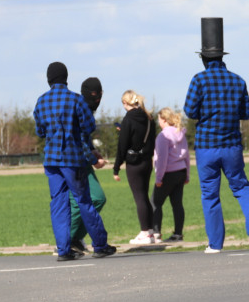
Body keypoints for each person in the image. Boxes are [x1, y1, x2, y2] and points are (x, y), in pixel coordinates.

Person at [183, 17, 249, 253]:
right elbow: (246, 113)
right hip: (231, 146)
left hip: (206, 147)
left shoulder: (198, 80)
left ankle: (215, 244)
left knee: (210, 195)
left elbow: (190, 111)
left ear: (203, 58)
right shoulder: (238, 81)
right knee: (242, 188)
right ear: (222, 57)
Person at [33, 61, 116, 261]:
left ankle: (64, 250)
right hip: (72, 159)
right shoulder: (76, 100)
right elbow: (89, 126)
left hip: (51, 161)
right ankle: (100, 245)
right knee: (84, 201)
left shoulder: (41, 101)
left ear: (49, 79)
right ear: (66, 77)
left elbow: (40, 131)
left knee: (59, 204)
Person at [67, 77, 108, 253]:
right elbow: (78, 138)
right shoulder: (80, 107)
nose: (97, 99)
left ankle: (72, 240)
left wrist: (92, 150)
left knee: (81, 202)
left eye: (100, 95)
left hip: (79, 158)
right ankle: (68, 239)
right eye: (93, 95)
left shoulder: (86, 108)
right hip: (75, 160)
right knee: (95, 198)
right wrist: (93, 160)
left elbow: (85, 138)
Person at [113, 90, 157, 246]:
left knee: (139, 197)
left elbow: (122, 145)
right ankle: (151, 231)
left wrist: (116, 167)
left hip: (134, 163)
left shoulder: (128, 120)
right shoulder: (149, 118)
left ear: (126, 103)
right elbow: (152, 141)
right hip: (147, 161)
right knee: (144, 196)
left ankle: (144, 232)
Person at [151, 107, 190, 243]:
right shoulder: (180, 133)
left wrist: (158, 178)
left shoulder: (163, 136)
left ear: (164, 120)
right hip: (181, 172)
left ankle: (156, 233)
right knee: (177, 204)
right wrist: (187, 175)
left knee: (156, 202)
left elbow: (162, 158)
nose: (158, 122)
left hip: (168, 173)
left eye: (159, 120)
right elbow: (187, 156)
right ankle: (178, 234)